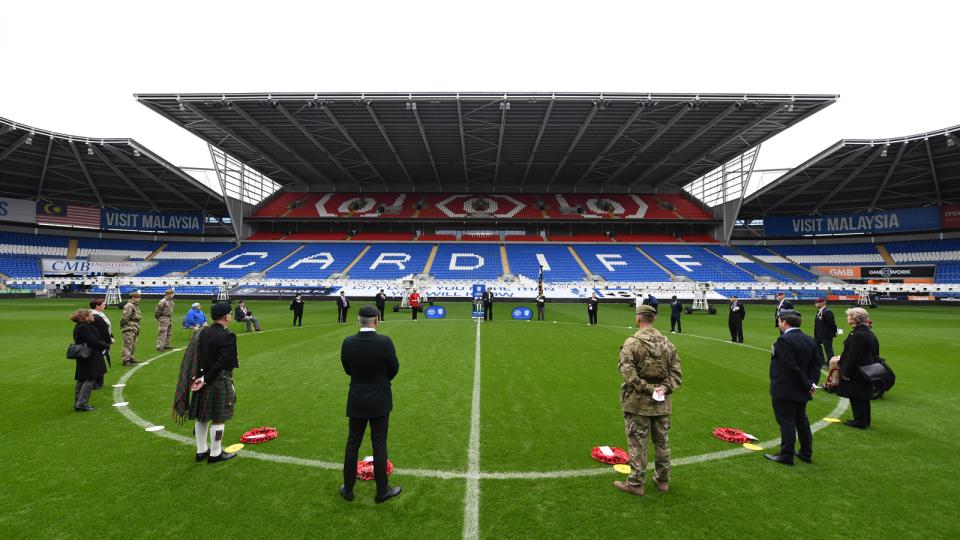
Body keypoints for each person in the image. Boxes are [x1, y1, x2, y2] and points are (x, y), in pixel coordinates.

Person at [614, 305, 683, 496]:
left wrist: (647, 388)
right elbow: (677, 374)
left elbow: (627, 372)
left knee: (638, 442)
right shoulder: (668, 345)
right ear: (653, 319)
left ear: (638, 319)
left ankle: (636, 483)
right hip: (661, 402)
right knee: (662, 443)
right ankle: (662, 480)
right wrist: (664, 387)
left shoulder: (632, 343)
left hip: (638, 402)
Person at [339, 305, 402, 504]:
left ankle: (348, 489)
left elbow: (348, 369)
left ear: (359, 320)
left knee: (352, 443)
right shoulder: (385, 342)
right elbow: (394, 368)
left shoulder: (348, 342)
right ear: (376, 320)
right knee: (379, 444)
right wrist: (380, 380)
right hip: (380, 399)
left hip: (357, 397)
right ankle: (382, 491)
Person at [174, 302, 239, 464]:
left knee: (201, 417)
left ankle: (201, 451)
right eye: (230, 313)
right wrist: (206, 379)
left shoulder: (203, 332)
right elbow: (223, 362)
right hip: (217, 380)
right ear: (226, 316)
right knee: (219, 417)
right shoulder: (227, 335)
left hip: (200, 378)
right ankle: (215, 453)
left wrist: (201, 378)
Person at [764, 309, 820, 465]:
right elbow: (815, 366)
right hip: (802, 388)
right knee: (801, 420)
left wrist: (807, 384)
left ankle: (786, 455)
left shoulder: (784, 341)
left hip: (786, 387)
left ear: (785, 323)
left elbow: (790, 367)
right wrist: (811, 383)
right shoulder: (810, 340)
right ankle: (805, 452)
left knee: (787, 422)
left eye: (780, 321)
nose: (779, 324)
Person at [837, 307, 880, 429]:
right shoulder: (866, 332)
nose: (847, 318)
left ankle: (860, 421)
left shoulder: (858, 334)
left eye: (849, 316)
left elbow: (853, 356)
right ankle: (864, 420)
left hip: (857, 370)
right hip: (865, 368)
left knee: (856, 396)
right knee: (862, 397)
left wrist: (846, 371)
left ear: (855, 318)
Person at [70, 309, 110, 412]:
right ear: (85, 317)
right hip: (90, 355)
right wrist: (105, 345)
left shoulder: (80, 326)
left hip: (84, 355)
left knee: (82, 378)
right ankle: (81, 403)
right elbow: (93, 341)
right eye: (91, 315)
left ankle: (78, 402)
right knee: (89, 379)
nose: (93, 316)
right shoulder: (84, 327)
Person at [90, 298, 114, 389]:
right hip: (99, 341)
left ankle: (98, 382)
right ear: (97, 306)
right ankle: (94, 382)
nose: (105, 305)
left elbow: (106, 327)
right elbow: (102, 329)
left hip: (102, 340)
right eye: (103, 304)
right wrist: (109, 340)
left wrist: (111, 335)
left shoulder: (99, 314)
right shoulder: (94, 316)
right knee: (96, 362)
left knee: (99, 361)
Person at [813, 298, 838, 366]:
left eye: (817, 302)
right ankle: (821, 361)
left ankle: (831, 362)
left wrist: (834, 331)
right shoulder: (819, 311)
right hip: (818, 334)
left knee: (828, 349)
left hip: (826, 335)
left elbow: (832, 324)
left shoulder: (827, 312)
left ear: (823, 303)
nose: (815, 304)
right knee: (818, 348)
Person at [120, 292, 142, 366]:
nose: (139, 299)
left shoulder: (135, 305)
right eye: (138, 297)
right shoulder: (129, 305)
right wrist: (123, 325)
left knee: (133, 344)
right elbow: (125, 317)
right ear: (133, 298)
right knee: (128, 343)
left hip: (135, 327)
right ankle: (126, 360)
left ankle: (131, 358)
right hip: (129, 327)